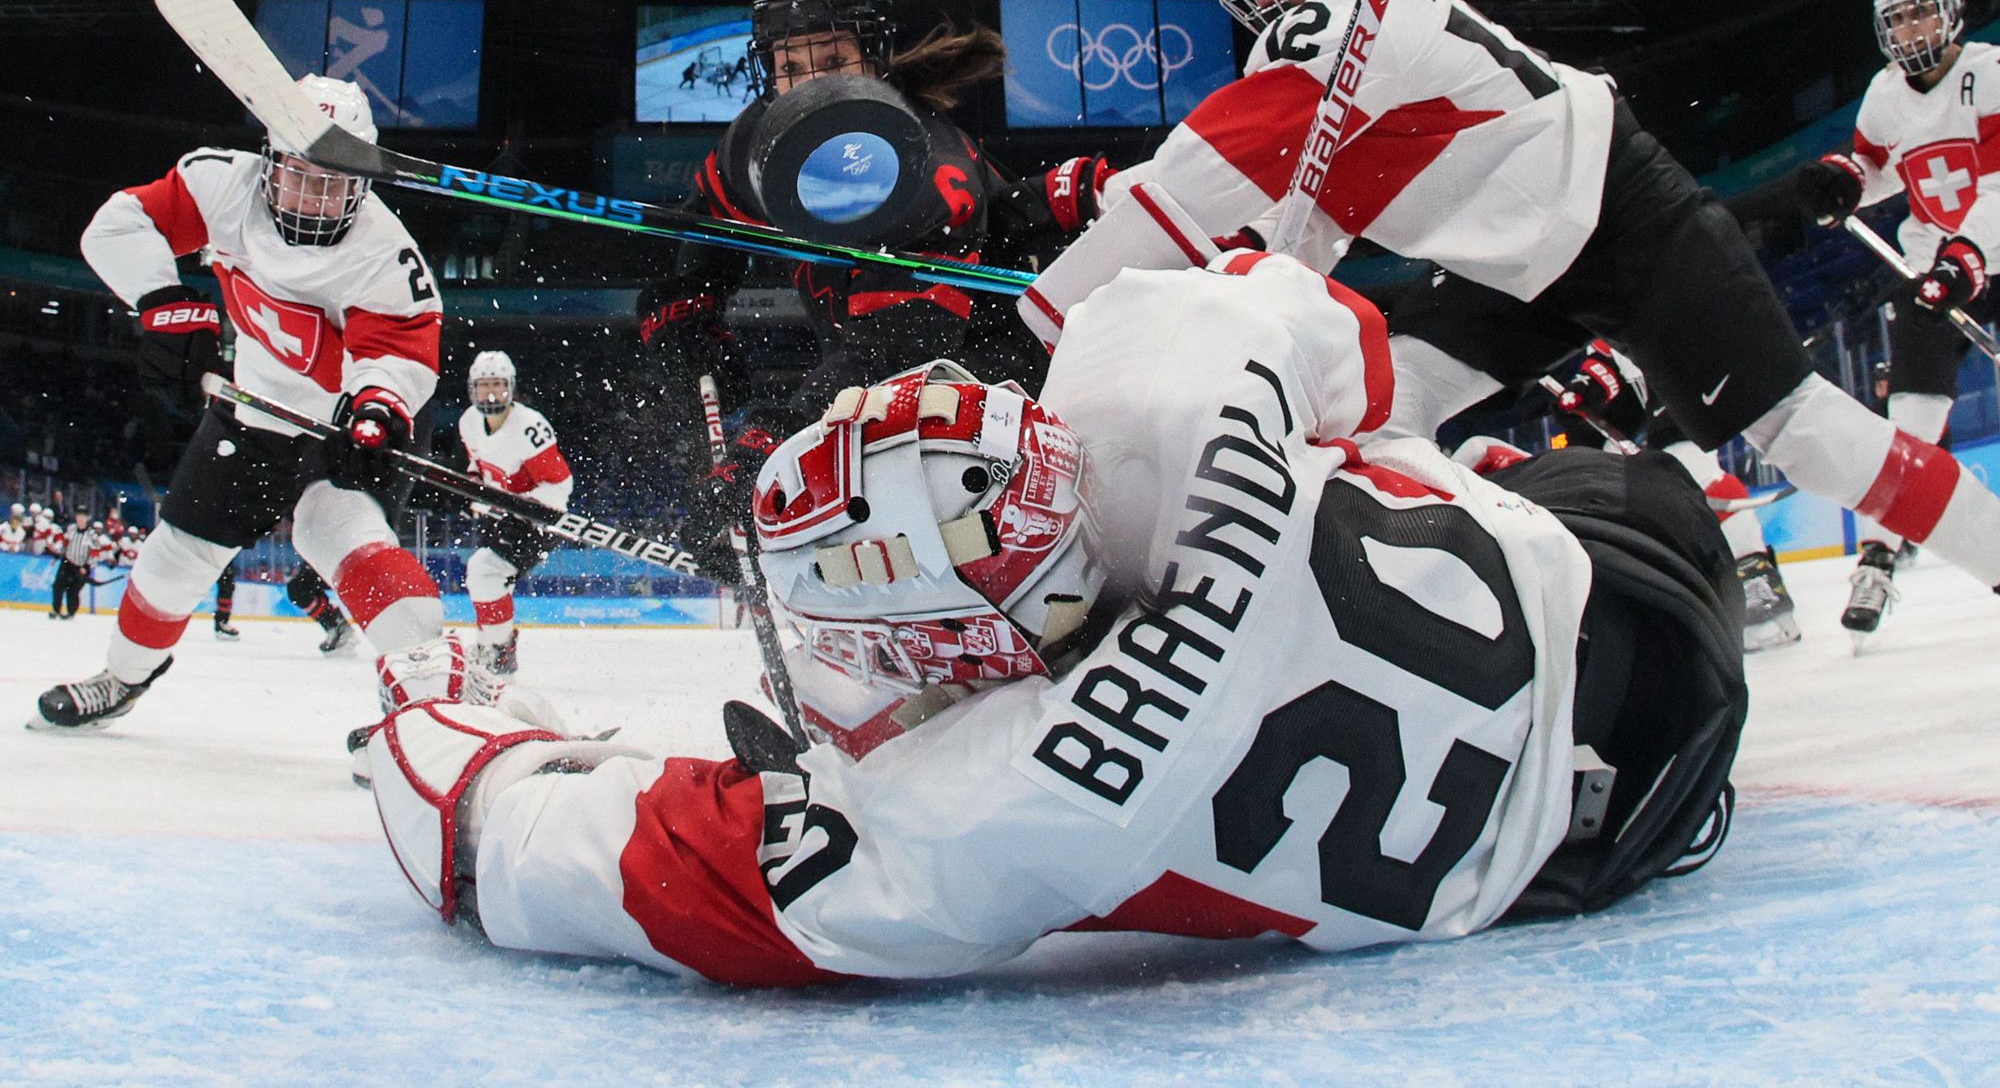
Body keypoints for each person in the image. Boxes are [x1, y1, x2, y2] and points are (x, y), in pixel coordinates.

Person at [359, 252, 1744, 983]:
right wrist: (1302, 465)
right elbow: (1346, 340)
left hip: (1565, 852)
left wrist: (443, 743)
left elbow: (552, 857)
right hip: (1632, 570)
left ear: (956, 653)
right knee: (1401, 448)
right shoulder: (1153, 371)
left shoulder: (988, 806)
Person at [1021, 0, 2000, 615]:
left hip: (1622, 221)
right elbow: (1279, 239)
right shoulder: (1330, 52)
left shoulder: (1351, 25)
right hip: (1513, 272)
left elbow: (1198, 182)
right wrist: (1131, 225)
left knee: (1801, 430)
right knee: (1372, 413)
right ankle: (1480, 615)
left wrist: (1046, 313)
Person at [635, 0, 1108, 568]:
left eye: (832, 59)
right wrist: (690, 300)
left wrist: (774, 446)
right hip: (888, 372)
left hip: (995, 385)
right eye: (789, 63)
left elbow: (896, 352)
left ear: (873, 55)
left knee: (923, 551)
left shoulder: (923, 166)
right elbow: (712, 216)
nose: (810, 82)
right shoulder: (757, 137)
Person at [33, 74, 449, 729]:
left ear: (363, 182)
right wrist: (164, 303)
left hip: (348, 423)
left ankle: (430, 708)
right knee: (174, 557)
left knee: (342, 537)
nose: (314, 199)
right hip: (252, 412)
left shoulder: (385, 253)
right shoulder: (221, 184)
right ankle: (123, 678)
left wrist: (377, 408)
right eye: (300, 176)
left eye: (334, 183)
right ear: (269, 160)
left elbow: (399, 354)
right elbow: (118, 225)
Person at [1727, 0, 1993, 635]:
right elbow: (1879, 167)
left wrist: (1971, 253)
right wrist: (1846, 179)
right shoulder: (1883, 93)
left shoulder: (1987, 74)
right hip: (1933, 266)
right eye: (1897, 18)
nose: (1910, 29)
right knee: (1909, 411)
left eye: (1921, 12)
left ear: (1952, 9)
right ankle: (1879, 554)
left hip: (1986, 254)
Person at [1553, 341, 1799, 651]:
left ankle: (1756, 582)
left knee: (1696, 473)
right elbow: (1616, 380)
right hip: (1663, 398)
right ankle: (1681, 604)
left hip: (1688, 377)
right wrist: (1586, 394)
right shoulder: (1596, 322)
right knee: (1633, 491)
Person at [457, 350, 572, 675]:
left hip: (539, 521)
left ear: (511, 387)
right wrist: (475, 490)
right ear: (472, 389)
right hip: (501, 515)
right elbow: (476, 466)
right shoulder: (468, 422)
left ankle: (498, 650)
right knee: (487, 577)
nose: (491, 393)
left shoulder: (530, 427)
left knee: (485, 571)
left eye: (497, 384)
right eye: (484, 385)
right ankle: (492, 645)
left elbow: (560, 485)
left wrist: (529, 513)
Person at [49, 509, 95, 620]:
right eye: (78, 515)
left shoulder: (92, 534)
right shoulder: (71, 529)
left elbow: (94, 552)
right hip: (68, 562)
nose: (80, 518)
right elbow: (64, 544)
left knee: (73, 590)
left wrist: (87, 567)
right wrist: (56, 555)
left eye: (83, 516)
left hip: (80, 566)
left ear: (87, 518)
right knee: (58, 586)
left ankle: (71, 612)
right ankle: (56, 609)